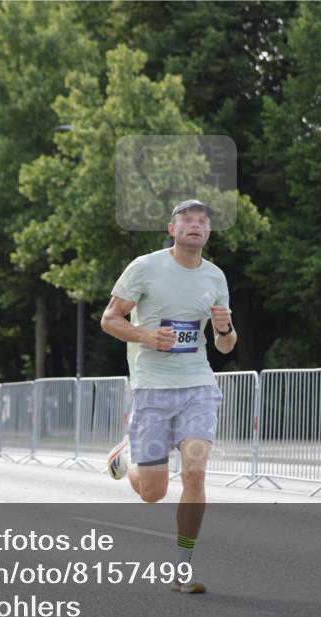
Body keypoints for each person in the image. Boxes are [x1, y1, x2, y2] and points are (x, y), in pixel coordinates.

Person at [101, 199, 237, 594]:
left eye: (202, 222)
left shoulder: (215, 276)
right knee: (152, 494)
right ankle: (125, 459)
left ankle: (183, 569)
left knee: (195, 473)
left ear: (208, 232)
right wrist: (145, 335)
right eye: (187, 221)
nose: (195, 226)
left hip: (197, 385)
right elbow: (110, 319)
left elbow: (225, 347)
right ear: (172, 229)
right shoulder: (145, 267)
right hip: (152, 388)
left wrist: (225, 330)